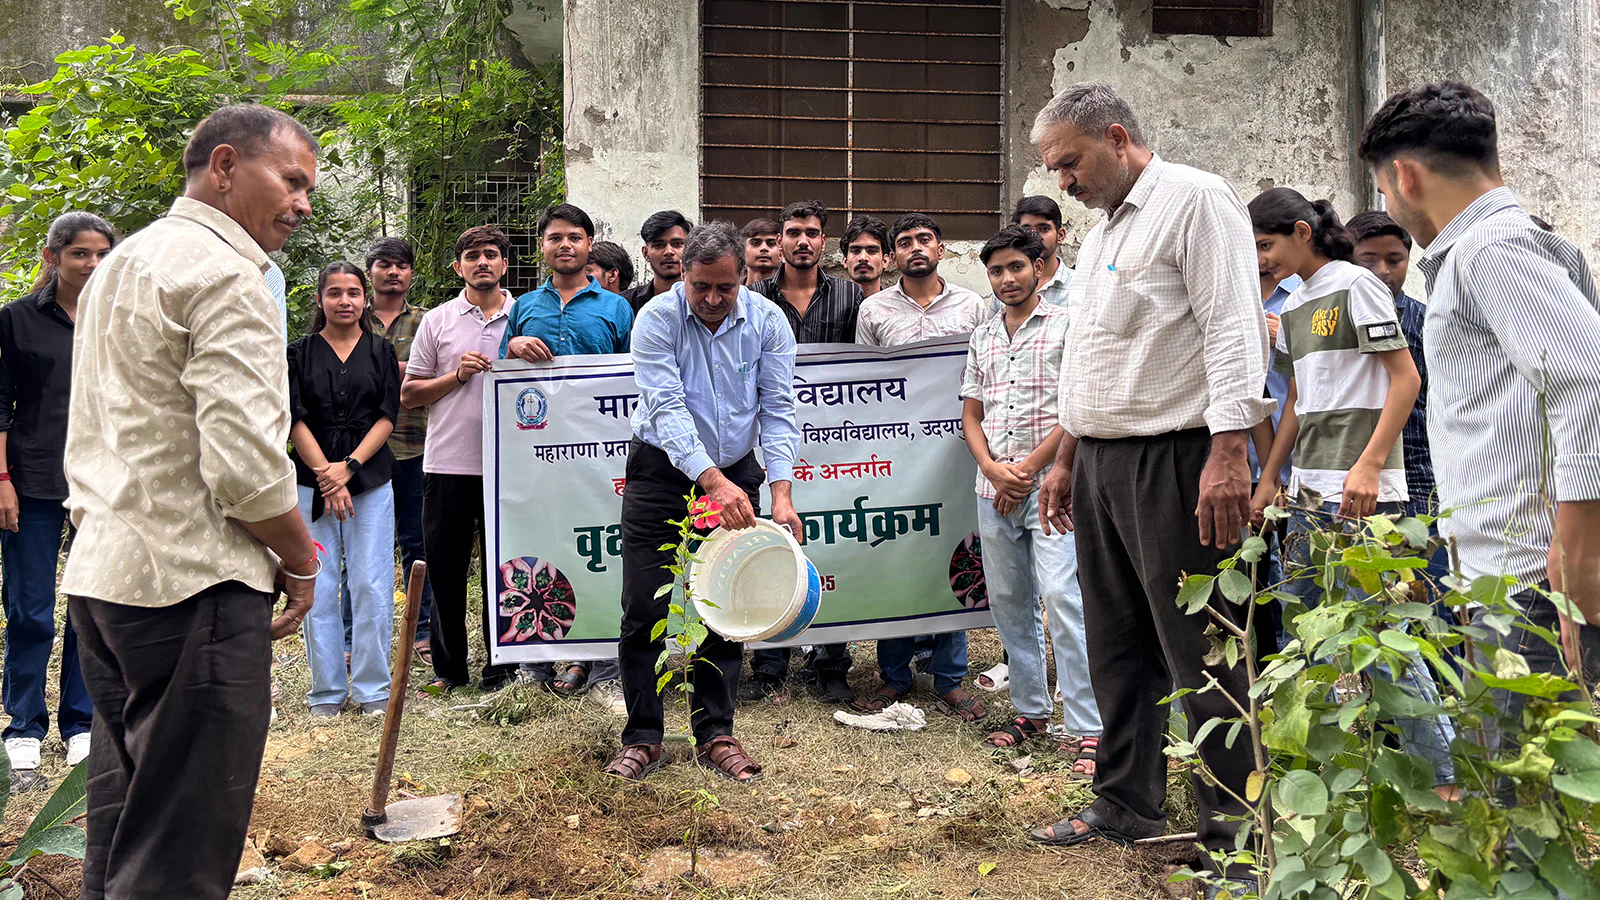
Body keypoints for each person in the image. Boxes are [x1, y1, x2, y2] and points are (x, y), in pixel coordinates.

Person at [63, 103, 321, 900]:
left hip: (107, 580)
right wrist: (301, 558)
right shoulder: (225, 275)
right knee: (180, 849)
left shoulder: (125, 261)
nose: (303, 203)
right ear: (223, 166)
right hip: (193, 587)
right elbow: (244, 469)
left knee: (126, 821)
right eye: (290, 180)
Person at [1027, 85, 1265, 893]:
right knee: (1116, 641)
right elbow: (1090, 355)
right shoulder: (1100, 237)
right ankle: (1126, 802)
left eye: (1069, 163)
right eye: (1052, 168)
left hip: (1181, 457)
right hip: (1100, 462)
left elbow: (1234, 326)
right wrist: (1067, 459)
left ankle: (1235, 832)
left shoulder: (1194, 201)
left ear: (1117, 137)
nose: (1061, 182)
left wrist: (1230, 450)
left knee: (1201, 647)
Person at [1358, 82, 1600, 767]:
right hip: (1515, 574)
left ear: (1404, 176)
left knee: (1523, 805)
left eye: (1385, 189)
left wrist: (1577, 553)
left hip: (1526, 579)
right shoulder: (1526, 243)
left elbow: (1589, 381)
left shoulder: (1490, 251)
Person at [1246, 188, 1456, 792]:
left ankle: (1442, 774)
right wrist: (1270, 478)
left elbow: (1405, 378)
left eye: (1268, 245)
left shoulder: (1356, 284)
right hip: (1310, 489)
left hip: (1362, 489)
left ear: (1302, 233)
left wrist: (1367, 465)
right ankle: (1327, 763)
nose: (1263, 260)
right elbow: (1298, 406)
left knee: (1378, 631)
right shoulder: (1297, 304)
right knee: (1303, 625)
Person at [604, 221, 803, 783]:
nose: (713, 300)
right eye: (700, 288)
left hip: (738, 472)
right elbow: (666, 409)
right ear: (681, 278)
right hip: (660, 473)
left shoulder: (768, 322)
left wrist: (781, 493)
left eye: (725, 288)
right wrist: (713, 483)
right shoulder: (656, 319)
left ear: (743, 276)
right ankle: (643, 736)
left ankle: (716, 732)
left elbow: (780, 409)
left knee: (726, 604)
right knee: (645, 606)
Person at [961, 225, 1101, 769]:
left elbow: (1077, 408)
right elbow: (971, 413)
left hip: (1052, 488)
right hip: (992, 488)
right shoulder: (984, 336)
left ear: (1039, 267)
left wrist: (1027, 470)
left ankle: (1087, 722)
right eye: (996, 270)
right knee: (1009, 601)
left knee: (1063, 597)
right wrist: (994, 470)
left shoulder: (1068, 326)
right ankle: (1030, 710)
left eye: (1017, 267)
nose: (1006, 279)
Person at [847, 213, 987, 720]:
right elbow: (865, 383)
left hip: (957, 449)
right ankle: (894, 677)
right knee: (897, 558)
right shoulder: (874, 309)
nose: (914, 249)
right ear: (892, 256)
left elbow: (985, 373)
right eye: (903, 243)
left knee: (953, 554)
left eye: (923, 239)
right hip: (896, 456)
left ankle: (951, 677)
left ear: (942, 248)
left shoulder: (973, 305)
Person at [500, 203, 633, 713]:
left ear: (588, 244)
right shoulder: (525, 306)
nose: (565, 245)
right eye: (555, 237)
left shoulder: (617, 308)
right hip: (536, 454)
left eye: (574, 237)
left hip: (600, 455)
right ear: (542, 247)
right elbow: (506, 373)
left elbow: (630, 376)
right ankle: (533, 667)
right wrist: (514, 346)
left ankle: (604, 670)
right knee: (539, 540)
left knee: (604, 549)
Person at [0, 212, 114, 791]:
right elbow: (0, 404)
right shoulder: (17, 321)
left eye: (101, 254)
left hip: (100, 488)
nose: (91, 264)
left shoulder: (117, 321)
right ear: (53, 257)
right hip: (34, 482)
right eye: (80, 254)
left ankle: (80, 726)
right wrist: (2, 479)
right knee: (29, 609)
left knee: (89, 609)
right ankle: (22, 730)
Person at [747, 200, 864, 703]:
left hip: (835, 448)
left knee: (831, 541)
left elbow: (865, 375)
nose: (800, 241)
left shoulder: (849, 297)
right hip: (771, 443)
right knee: (772, 543)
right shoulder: (754, 297)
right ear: (780, 240)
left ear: (825, 241)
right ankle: (769, 662)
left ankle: (832, 662)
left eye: (811, 233)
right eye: (791, 232)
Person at [402, 225, 518, 694]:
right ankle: (450, 670)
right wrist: (457, 374)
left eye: (492, 254)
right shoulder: (438, 320)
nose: (482, 262)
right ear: (458, 267)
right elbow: (410, 393)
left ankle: (503, 669)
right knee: (447, 570)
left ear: (506, 264)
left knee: (505, 570)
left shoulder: (525, 314)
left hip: (510, 464)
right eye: (472, 256)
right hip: (448, 464)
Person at [288, 262, 401, 717]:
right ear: (319, 300)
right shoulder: (298, 353)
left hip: (369, 480)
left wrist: (349, 468)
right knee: (319, 584)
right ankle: (327, 691)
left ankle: (373, 688)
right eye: (334, 293)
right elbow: (293, 417)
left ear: (365, 299)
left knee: (372, 584)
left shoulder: (380, 350)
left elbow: (388, 416)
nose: (345, 301)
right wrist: (325, 475)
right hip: (309, 483)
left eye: (353, 292)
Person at [366, 237, 436, 664]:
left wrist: (377, 371)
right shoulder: (351, 315)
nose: (394, 272)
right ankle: (358, 635)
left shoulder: (429, 321)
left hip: (419, 444)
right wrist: (406, 372)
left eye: (402, 265)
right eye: (384, 265)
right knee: (361, 545)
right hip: (360, 450)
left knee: (417, 542)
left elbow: (437, 373)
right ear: (369, 270)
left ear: (411, 272)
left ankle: (423, 631)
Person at [621, 210, 693, 312]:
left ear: (690, 249)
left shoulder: (706, 302)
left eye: (677, 244)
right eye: (659, 245)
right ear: (645, 253)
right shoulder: (625, 304)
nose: (668, 251)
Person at [1010, 196, 1074, 307]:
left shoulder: (1078, 285)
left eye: (1044, 229)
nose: (1035, 236)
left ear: (1060, 235)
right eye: (1027, 230)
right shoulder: (1008, 285)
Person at [842, 214, 889, 297]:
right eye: (856, 251)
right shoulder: (830, 307)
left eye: (871, 251)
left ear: (885, 261)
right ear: (845, 261)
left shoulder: (895, 308)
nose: (863, 258)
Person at [741, 218, 781, 286]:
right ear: (743, 251)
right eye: (755, 243)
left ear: (781, 253)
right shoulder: (733, 293)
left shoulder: (791, 294)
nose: (764, 248)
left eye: (771, 243)